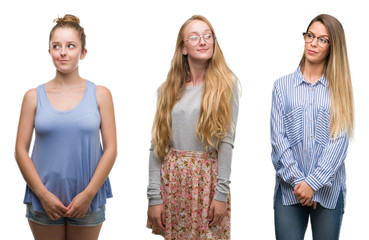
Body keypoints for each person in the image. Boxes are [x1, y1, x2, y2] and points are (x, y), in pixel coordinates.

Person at [15, 14, 117, 240]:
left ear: (83, 52)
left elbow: (111, 149)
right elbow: (20, 151)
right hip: (44, 201)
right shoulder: (33, 97)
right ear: (49, 51)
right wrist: (42, 195)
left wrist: (88, 194)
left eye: (71, 46)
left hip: (88, 201)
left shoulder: (101, 95)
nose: (63, 52)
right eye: (56, 46)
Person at [146, 15, 239, 240]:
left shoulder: (226, 85)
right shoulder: (167, 89)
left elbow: (226, 141)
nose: (203, 41)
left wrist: (221, 194)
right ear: (183, 48)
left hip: (207, 180)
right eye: (195, 37)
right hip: (173, 182)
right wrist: (154, 197)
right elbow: (157, 145)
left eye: (208, 36)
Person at [270, 14, 354, 240]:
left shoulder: (340, 90)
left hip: (328, 192)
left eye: (322, 39)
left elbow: (339, 144)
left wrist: (313, 184)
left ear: (332, 46)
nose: (313, 43)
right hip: (290, 191)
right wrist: (300, 184)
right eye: (310, 35)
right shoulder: (282, 87)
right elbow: (278, 142)